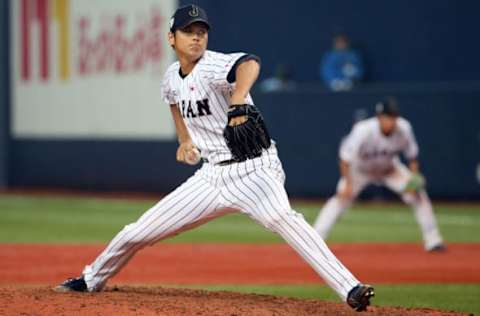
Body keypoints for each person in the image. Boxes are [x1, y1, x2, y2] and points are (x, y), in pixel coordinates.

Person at [54, 4, 374, 311]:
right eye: (188, 31)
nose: (196, 37)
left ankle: (350, 288)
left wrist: (237, 100)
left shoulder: (212, 66)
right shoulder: (170, 76)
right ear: (171, 38)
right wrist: (183, 139)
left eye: (201, 31)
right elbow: (172, 99)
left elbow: (250, 62)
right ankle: (90, 278)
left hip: (254, 170)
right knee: (137, 231)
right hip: (211, 177)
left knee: (283, 219)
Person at [313, 98, 445, 252]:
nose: (391, 120)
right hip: (359, 170)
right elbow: (345, 158)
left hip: (389, 169)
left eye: (393, 116)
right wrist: (348, 183)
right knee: (341, 199)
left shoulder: (404, 128)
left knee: (418, 195)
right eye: (387, 117)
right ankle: (315, 239)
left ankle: (433, 240)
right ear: (379, 118)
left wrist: (414, 177)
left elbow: (412, 156)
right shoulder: (363, 130)